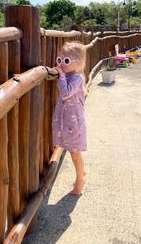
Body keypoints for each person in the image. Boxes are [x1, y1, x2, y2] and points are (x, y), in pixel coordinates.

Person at [52, 41, 87, 195]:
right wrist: (61, 73)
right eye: (60, 60)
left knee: (74, 152)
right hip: (66, 118)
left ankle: (80, 181)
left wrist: (60, 75)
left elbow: (65, 93)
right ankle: (82, 173)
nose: (62, 65)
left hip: (74, 121)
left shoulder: (77, 78)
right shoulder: (68, 75)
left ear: (78, 63)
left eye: (66, 61)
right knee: (72, 149)